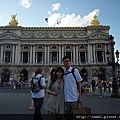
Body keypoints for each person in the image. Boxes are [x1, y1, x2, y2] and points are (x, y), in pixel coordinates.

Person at [62, 56, 83, 120]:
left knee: (75, 115)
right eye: (65, 61)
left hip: (74, 98)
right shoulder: (63, 72)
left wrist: (80, 96)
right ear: (63, 62)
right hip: (66, 99)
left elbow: (79, 83)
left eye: (68, 61)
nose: (66, 63)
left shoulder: (74, 71)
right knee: (67, 116)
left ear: (70, 62)